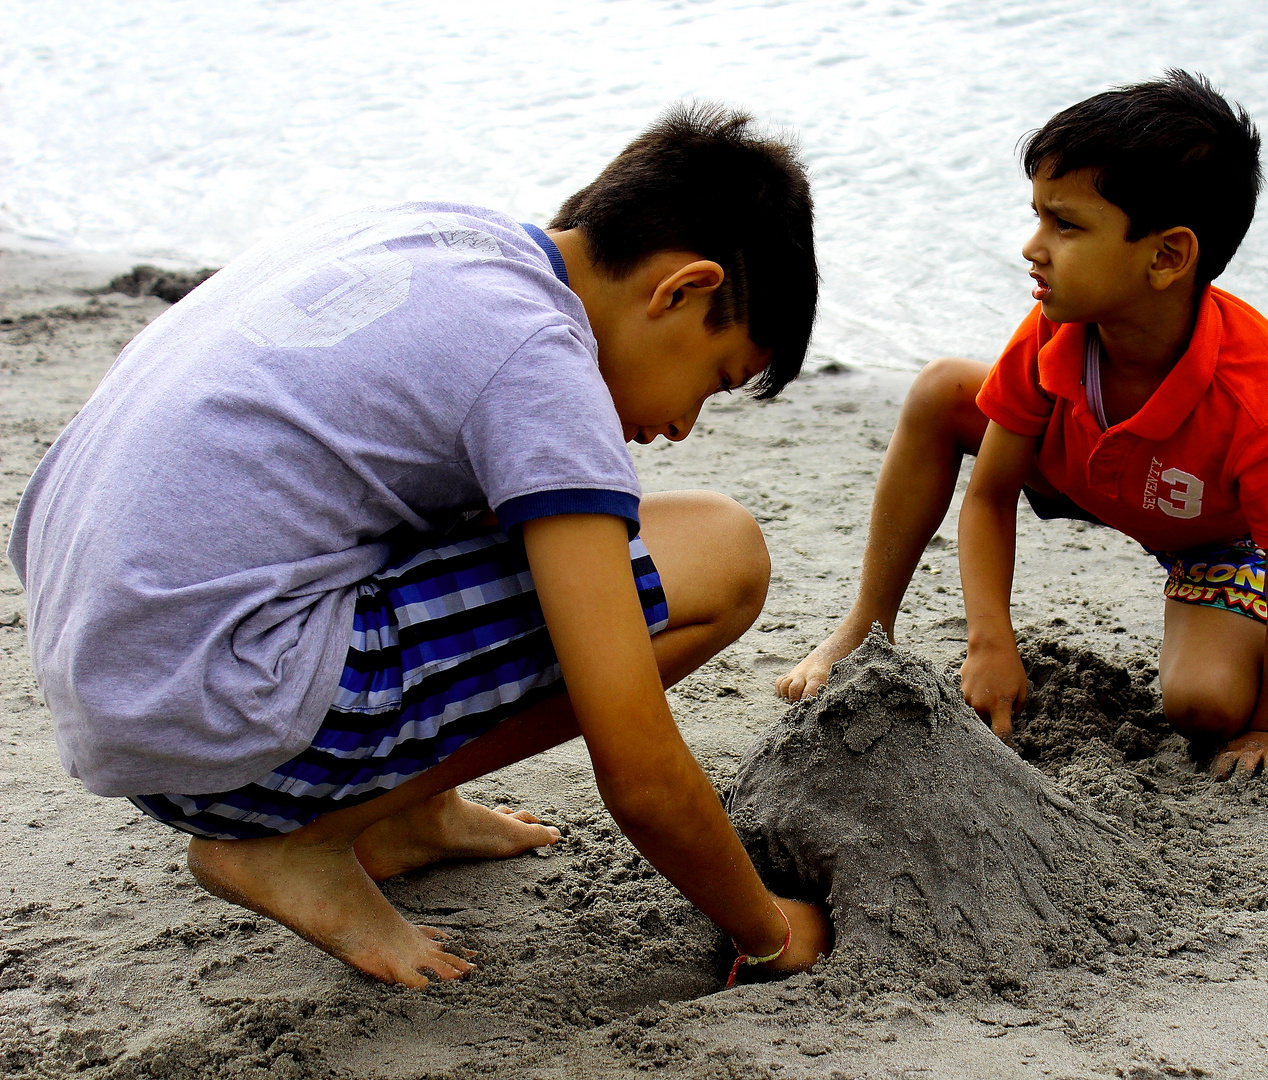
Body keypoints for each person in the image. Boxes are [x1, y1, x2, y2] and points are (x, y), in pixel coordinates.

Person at [8, 104, 831, 988]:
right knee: (723, 552)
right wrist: (766, 931)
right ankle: (304, 840)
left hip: (118, 684)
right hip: (224, 718)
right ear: (681, 290)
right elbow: (638, 770)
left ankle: (403, 815)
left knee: (459, 489)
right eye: (713, 380)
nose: (679, 426)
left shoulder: (446, 239)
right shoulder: (539, 360)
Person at [778, 72, 1268, 780]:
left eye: (1064, 225)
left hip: (1212, 532)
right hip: (1082, 465)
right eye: (1038, 215)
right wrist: (989, 640)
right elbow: (990, 493)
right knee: (943, 391)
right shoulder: (1053, 330)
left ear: (1167, 257)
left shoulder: (1264, 395)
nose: (1032, 246)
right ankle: (864, 625)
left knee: (1206, 707)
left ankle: (1230, 656)